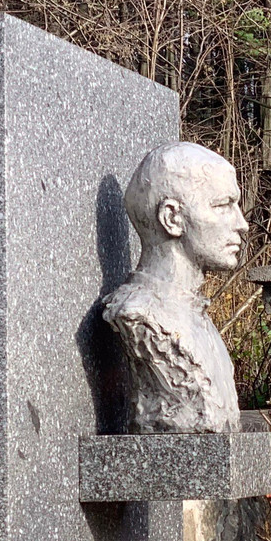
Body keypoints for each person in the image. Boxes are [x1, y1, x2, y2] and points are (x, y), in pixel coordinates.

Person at [103, 142, 248, 433]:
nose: (242, 223)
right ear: (172, 218)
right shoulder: (139, 316)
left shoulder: (200, 320)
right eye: (223, 205)